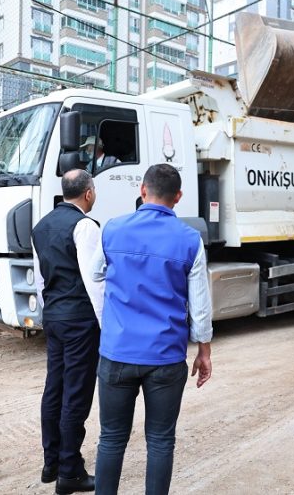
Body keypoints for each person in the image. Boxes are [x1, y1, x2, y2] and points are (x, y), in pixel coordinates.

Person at [93, 163, 213, 495]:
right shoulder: (190, 240)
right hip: (165, 356)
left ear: (143, 190)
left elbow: (96, 273)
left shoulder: (113, 229)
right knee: (160, 440)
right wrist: (203, 350)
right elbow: (200, 304)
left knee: (111, 438)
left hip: (117, 353)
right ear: (178, 197)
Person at [32, 169, 104, 495]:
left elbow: (40, 278)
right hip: (79, 319)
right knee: (76, 393)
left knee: (55, 388)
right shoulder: (85, 226)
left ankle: (52, 463)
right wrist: (105, 324)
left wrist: (48, 311)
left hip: (54, 316)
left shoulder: (41, 226)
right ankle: (70, 471)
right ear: (88, 193)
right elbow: (94, 281)